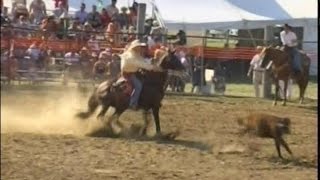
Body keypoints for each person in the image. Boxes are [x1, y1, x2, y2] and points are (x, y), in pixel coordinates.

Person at [120, 39, 162, 110]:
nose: (140, 48)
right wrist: (155, 68)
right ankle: (132, 103)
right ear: (135, 48)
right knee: (139, 86)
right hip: (129, 74)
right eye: (138, 47)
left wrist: (151, 62)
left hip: (129, 72)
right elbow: (144, 65)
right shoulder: (133, 57)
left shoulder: (132, 54)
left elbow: (143, 61)